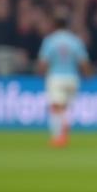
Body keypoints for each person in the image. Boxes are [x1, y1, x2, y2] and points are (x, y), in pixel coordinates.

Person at [36, 10, 90, 147]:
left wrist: (40, 73)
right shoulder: (75, 40)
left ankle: (59, 136)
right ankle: (63, 132)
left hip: (56, 78)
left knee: (56, 107)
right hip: (72, 78)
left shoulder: (50, 40)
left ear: (54, 24)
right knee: (64, 107)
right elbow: (83, 62)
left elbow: (43, 63)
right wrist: (88, 75)